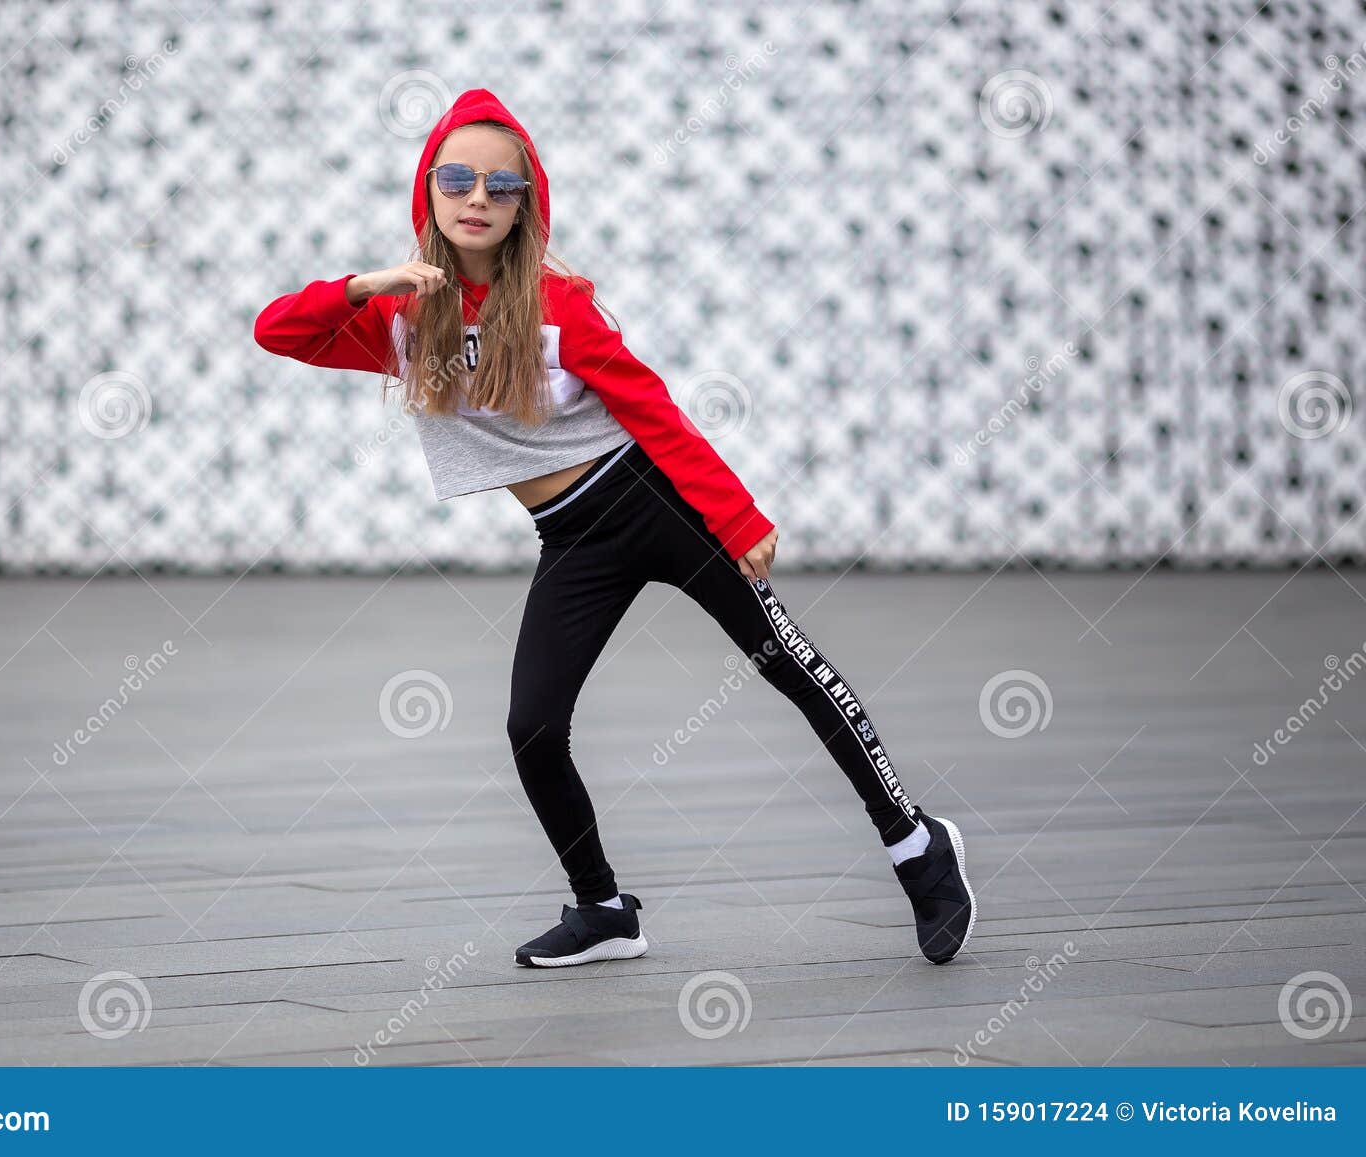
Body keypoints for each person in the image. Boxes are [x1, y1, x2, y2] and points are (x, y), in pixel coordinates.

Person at [252, 88, 975, 967]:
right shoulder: (400, 319)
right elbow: (276, 331)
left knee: (790, 667)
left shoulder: (563, 308)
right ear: (429, 192)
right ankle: (603, 909)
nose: (477, 197)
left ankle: (916, 844)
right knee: (531, 727)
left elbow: (655, 412)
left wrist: (736, 517)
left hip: (660, 504)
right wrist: (365, 284)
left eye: (501, 185)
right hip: (574, 537)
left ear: (526, 206)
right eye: (457, 179)